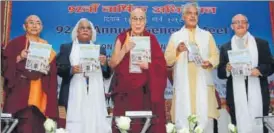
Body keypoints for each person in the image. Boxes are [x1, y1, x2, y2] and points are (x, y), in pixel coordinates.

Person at [109, 8, 167, 133]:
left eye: (141, 19)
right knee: (125, 126)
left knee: (146, 126)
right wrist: (124, 49)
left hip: (146, 92)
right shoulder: (122, 38)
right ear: (130, 21)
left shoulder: (151, 39)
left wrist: (149, 65)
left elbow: (162, 66)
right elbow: (112, 63)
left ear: (145, 22)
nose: (138, 23)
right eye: (135, 19)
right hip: (125, 93)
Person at [165, 2, 220, 132]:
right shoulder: (176, 36)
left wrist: (210, 62)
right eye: (189, 13)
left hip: (203, 85)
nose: (193, 16)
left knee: (205, 124)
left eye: (195, 14)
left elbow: (216, 55)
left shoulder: (207, 35)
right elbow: (167, 60)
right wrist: (177, 50)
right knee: (183, 122)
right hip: (183, 86)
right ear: (183, 16)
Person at [217, 14, 273, 133]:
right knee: (237, 124)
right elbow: (220, 73)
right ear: (232, 26)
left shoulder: (261, 44)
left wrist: (259, 70)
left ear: (248, 25)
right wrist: (227, 69)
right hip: (235, 95)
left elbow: (270, 66)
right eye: (236, 22)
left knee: (260, 126)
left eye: (243, 22)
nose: (240, 24)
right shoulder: (225, 47)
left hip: (259, 93)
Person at [3, 15, 58, 133]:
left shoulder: (47, 47)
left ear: (41, 27)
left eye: (38, 23)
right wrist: (19, 57)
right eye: (31, 22)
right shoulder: (15, 43)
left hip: (40, 95)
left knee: (37, 126)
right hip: (20, 94)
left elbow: (52, 74)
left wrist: (47, 68)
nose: (34, 25)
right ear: (24, 26)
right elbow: (4, 66)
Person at [63, 18, 111, 133]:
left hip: (95, 95)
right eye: (82, 28)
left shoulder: (100, 49)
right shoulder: (67, 48)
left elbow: (107, 74)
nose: (85, 30)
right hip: (73, 93)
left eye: (88, 28)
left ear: (92, 32)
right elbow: (59, 69)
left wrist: (104, 64)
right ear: (77, 32)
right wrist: (71, 70)